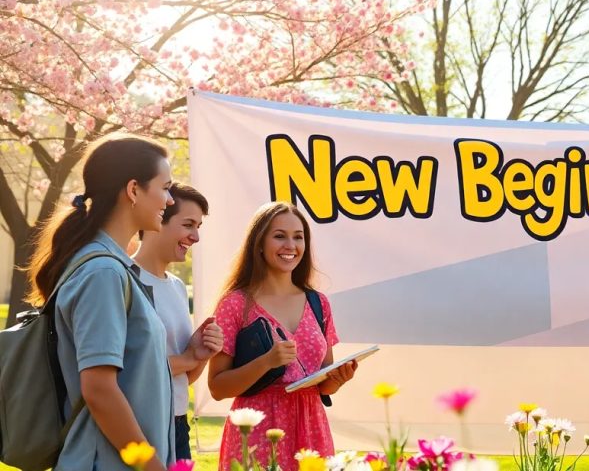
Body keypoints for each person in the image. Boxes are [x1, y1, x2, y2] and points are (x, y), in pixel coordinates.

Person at [26, 133, 175, 471]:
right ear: (133, 189)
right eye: (165, 188)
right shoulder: (103, 273)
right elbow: (99, 390)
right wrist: (151, 466)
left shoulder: (108, 267)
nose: (169, 200)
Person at [207, 203, 358, 471]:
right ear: (259, 244)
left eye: (298, 237)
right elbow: (218, 388)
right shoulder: (235, 304)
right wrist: (266, 362)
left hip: (311, 428)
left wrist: (338, 379)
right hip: (258, 431)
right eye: (279, 236)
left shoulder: (318, 303)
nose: (291, 245)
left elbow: (323, 385)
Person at [133, 182, 224, 461]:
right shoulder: (124, 279)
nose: (195, 237)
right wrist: (188, 358)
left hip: (178, 423)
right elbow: (130, 370)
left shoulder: (177, 287)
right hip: (139, 425)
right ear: (158, 218)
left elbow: (184, 379)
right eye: (188, 225)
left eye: (198, 227)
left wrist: (202, 355)